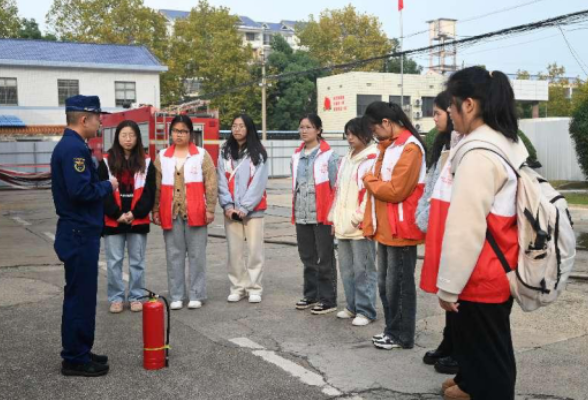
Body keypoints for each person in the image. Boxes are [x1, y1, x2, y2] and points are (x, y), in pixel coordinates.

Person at [435, 67, 527, 400]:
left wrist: (448, 286)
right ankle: (470, 383)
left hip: (482, 274)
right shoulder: (503, 141)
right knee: (488, 347)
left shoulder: (478, 154)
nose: (448, 113)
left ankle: (481, 388)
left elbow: (466, 229)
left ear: (469, 106)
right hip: (499, 267)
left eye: (451, 105)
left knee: (494, 361)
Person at [51, 95, 117, 377]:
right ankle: (75, 358)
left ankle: (79, 349)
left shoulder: (74, 146)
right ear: (83, 119)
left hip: (80, 232)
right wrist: (107, 185)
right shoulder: (74, 150)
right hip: (79, 233)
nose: (100, 121)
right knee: (80, 296)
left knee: (83, 295)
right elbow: (81, 192)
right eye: (97, 117)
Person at [361, 101, 426, 350]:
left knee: (399, 285)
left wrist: (369, 180)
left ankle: (402, 335)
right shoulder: (388, 147)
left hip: (401, 228)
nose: (374, 134)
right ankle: (391, 329)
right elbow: (382, 187)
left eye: (374, 128)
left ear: (386, 123)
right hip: (385, 227)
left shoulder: (410, 148)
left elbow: (395, 191)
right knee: (385, 285)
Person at [152, 115, 218, 311]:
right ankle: (176, 295)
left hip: (196, 211)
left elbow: (211, 184)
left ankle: (197, 294)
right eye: (175, 131)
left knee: (197, 255)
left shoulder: (202, 155)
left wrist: (211, 209)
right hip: (170, 212)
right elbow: (155, 187)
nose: (179, 135)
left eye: (183, 131)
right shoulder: (162, 156)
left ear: (190, 134)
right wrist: (155, 209)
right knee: (174, 254)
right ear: (170, 133)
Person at [416, 91, 460, 375]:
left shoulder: (465, 146)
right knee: (446, 288)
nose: (435, 119)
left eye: (439, 113)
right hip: (437, 225)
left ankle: (460, 348)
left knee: (458, 293)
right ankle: (450, 342)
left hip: (454, 228)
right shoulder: (443, 142)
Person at [98, 120, 155, 314]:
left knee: (136, 261)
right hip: (113, 221)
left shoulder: (146, 163)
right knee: (114, 261)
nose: (128, 139)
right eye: (124, 135)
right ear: (117, 137)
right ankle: (116, 298)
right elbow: (102, 192)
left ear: (138, 137)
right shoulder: (105, 162)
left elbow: (149, 192)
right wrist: (117, 214)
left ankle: (136, 296)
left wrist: (134, 213)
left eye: (132, 135)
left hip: (137, 220)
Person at [329, 117, 378, 326]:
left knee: (364, 269)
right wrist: (334, 218)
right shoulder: (346, 158)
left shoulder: (373, 158)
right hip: (342, 223)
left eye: (353, 133)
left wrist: (356, 218)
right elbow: (338, 191)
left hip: (360, 225)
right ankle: (351, 306)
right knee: (347, 269)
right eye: (347, 134)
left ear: (366, 133)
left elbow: (369, 195)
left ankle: (366, 310)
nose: (349, 138)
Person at [217, 114, 269, 303]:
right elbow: (221, 179)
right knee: (234, 251)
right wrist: (228, 206)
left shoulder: (259, 152)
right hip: (231, 211)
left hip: (253, 211)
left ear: (249, 129)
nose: (237, 129)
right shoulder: (224, 151)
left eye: (241, 126)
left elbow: (259, 182)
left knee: (255, 250)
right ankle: (237, 287)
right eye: (234, 125)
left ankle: (254, 287)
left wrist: (245, 207)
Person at [292, 113, 339, 315]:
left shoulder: (329, 155)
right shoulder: (296, 155)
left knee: (325, 258)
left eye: (309, 127)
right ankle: (311, 295)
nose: (304, 131)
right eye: (301, 127)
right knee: (307, 257)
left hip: (322, 215)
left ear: (318, 130)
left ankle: (328, 299)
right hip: (301, 214)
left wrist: (333, 215)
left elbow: (335, 187)